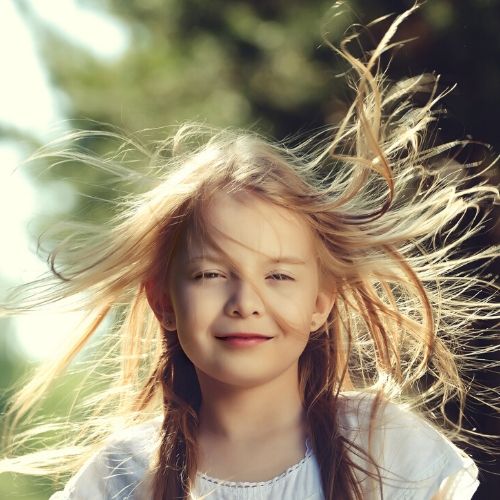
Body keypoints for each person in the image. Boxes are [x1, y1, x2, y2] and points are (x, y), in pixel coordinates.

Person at [1, 5, 497, 499]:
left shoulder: (388, 447)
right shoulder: (121, 474)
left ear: (320, 301)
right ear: (163, 300)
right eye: (210, 275)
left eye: (279, 276)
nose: (245, 301)